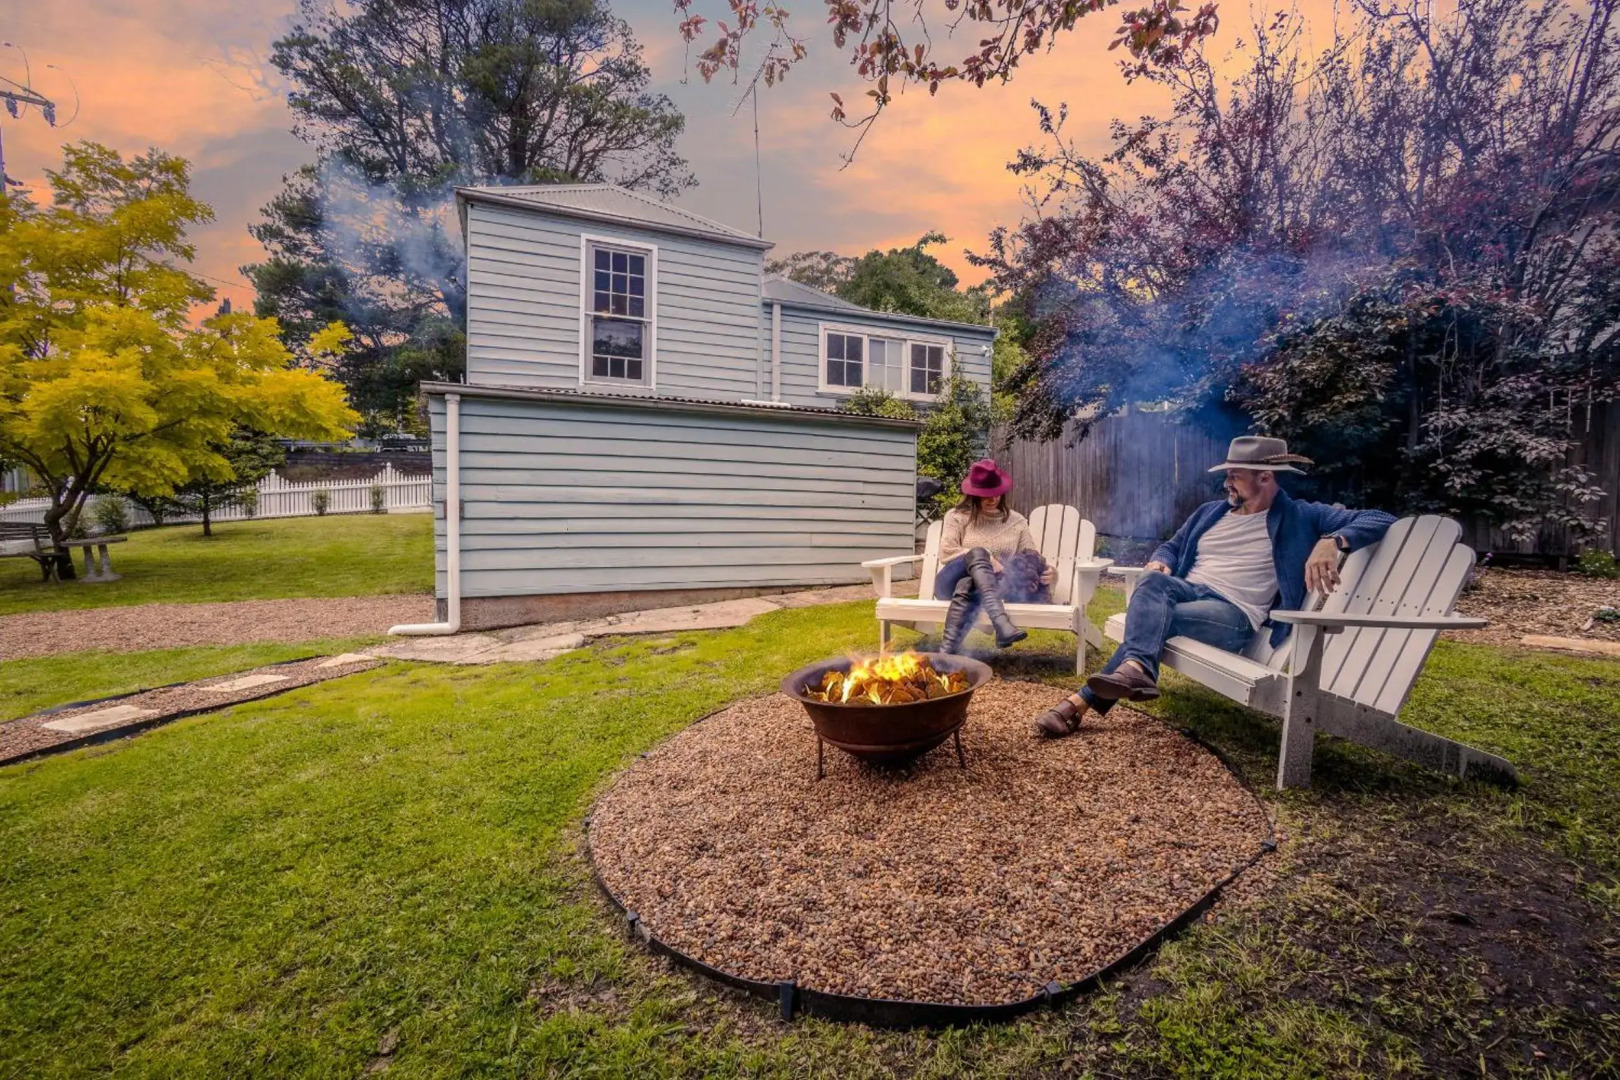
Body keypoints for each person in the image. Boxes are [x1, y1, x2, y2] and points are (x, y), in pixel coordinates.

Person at [1034, 436, 1395, 738]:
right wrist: (1163, 559)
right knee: (1153, 581)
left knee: (1156, 619)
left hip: (1233, 613)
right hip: (1187, 592)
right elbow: (1172, 546)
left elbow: (1381, 518)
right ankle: (1134, 672)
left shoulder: (1302, 515)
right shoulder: (1211, 512)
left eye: (1235, 476)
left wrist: (1333, 540)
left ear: (1265, 477)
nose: (1227, 483)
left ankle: (1081, 701)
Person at [934, 459, 1057, 653]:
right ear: (973, 494)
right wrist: (987, 558)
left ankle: (947, 654)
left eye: (996, 493)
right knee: (978, 553)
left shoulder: (1016, 521)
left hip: (983, 588)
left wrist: (1051, 573)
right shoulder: (957, 516)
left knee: (967, 583)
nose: (992, 499)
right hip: (949, 582)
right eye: (986, 495)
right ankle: (1001, 623)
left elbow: (1031, 556)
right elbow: (946, 552)